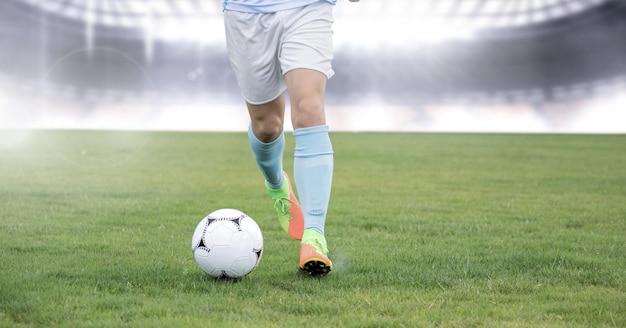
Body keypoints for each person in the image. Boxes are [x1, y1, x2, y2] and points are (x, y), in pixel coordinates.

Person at [222, 0, 359, 276]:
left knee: (309, 109)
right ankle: (276, 184)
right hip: (247, 12)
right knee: (267, 126)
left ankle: (314, 237)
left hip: (309, 6)